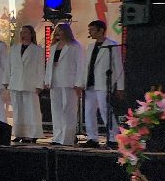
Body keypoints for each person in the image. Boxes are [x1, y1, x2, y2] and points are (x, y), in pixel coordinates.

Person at [83, 19, 125, 148]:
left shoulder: (112, 45)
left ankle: (113, 137)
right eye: (89, 30)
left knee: (105, 110)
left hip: (103, 84)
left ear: (101, 30)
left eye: (93, 29)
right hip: (90, 84)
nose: (90, 32)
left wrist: (120, 86)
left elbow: (118, 67)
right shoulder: (90, 47)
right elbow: (86, 66)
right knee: (89, 111)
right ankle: (92, 138)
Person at [43, 22, 85, 146]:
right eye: (56, 31)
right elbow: (50, 65)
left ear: (66, 32)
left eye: (60, 31)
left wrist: (79, 83)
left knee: (68, 110)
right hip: (55, 82)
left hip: (69, 83)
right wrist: (47, 80)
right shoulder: (53, 47)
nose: (57, 34)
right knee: (56, 111)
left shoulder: (75, 46)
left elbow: (80, 66)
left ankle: (67, 138)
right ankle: (57, 137)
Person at [7, 25, 45, 143]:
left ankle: (32, 134)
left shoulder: (37, 50)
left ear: (31, 34)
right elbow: (9, 65)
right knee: (18, 110)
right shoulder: (14, 48)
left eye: (26, 32)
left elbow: (40, 68)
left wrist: (40, 84)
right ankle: (19, 133)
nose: (23, 34)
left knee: (31, 109)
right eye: (22, 32)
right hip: (16, 82)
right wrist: (6, 80)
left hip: (30, 83)